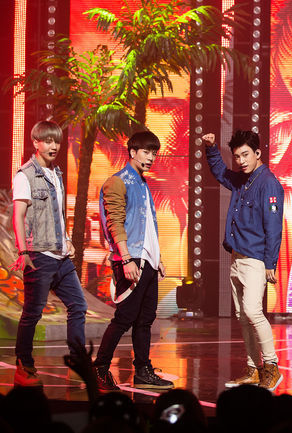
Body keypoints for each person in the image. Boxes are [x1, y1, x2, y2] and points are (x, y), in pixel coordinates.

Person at [203, 130, 285, 391]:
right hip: (237, 257)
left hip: (256, 260)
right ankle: (253, 369)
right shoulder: (242, 180)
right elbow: (220, 172)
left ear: (258, 153)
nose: (240, 161)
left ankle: (271, 367)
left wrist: (270, 263)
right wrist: (212, 148)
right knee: (242, 316)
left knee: (252, 312)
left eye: (245, 155)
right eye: (237, 156)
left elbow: (274, 227)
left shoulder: (268, 183)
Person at [94, 130, 173, 391]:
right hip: (130, 259)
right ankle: (100, 369)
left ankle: (142, 371)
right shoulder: (118, 182)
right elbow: (114, 223)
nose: (151, 157)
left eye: (154, 153)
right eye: (146, 152)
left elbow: (148, 225)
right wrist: (126, 258)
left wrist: (157, 257)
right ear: (132, 152)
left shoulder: (143, 183)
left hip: (147, 260)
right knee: (125, 317)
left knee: (145, 319)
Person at [11, 120, 88, 387]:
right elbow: (18, 216)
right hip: (39, 255)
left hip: (61, 256)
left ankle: (78, 361)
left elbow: (56, 213)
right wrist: (23, 251)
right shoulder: (25, 175)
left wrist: (66, 239)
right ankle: (24, 364)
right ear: (36, 142)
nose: (54, 146)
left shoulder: (56, 173)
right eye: (48, 141)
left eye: (57, 141)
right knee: (32, 313)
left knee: (78, 306)